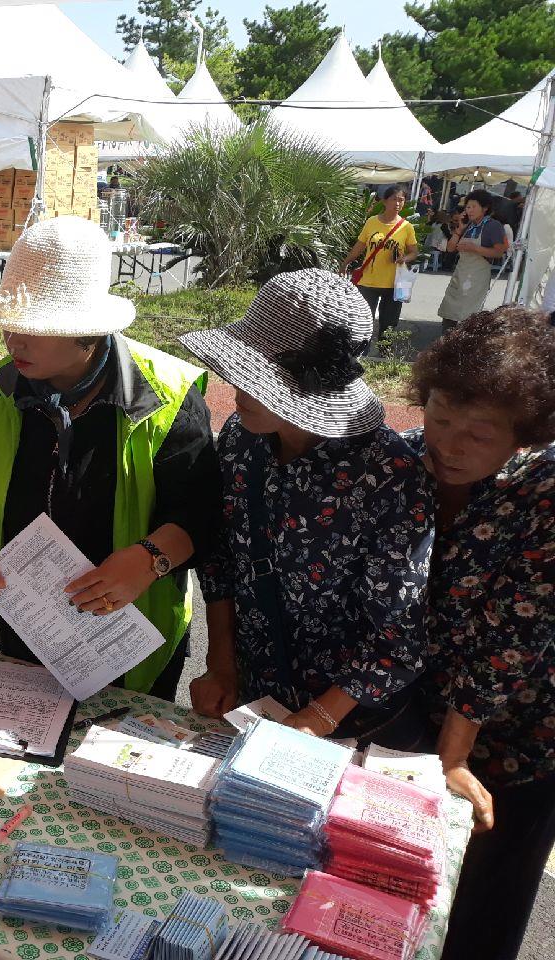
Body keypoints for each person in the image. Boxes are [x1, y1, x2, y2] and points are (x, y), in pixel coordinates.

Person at [0, 216, 220, 699]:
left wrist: (148, 562)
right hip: (28, 626)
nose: (13, 341)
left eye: (32, 329)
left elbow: (199, 513)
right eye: (7, 326)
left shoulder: (169, 396)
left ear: (87, 332)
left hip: (135, 637)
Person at [183, 269, 434, 743]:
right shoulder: (241, 440)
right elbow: (220, 560)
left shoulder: (387, 474)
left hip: (355, 720)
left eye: (254, 377)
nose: (235, 389)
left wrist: (319, 718)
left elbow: (399, 636)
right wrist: (220, 664)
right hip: (255, 698)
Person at [403, 307, 555, 960]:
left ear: (524, 436)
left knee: (479, 915)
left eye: (478, 434)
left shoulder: (542, 496)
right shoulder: (408, 464)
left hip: (516, 743)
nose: (449, 446)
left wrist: (454, 757)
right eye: (438, 418)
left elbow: (509, 641)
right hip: (423, 722)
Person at [341, 186, 419, 340]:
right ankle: (361, 352)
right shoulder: (372, 222)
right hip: (368, 282)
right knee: (364, 321)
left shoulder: (406, 227)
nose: (398, 203)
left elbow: (414, 252)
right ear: (384, 201)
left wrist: (405, 258)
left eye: (401, 200)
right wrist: (345, 263)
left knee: (388, 325)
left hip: (394, 285)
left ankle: (384, 356)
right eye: (394, 199)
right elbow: (360, 245)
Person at [438, 189, 508, 334]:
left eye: (473, 206)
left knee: (467, 316)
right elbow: (450, 249)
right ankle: (446, 344)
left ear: (485, 208)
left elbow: (499, 252)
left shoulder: (493, 226)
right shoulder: (468, 226)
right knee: (449, 312)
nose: (469, 210)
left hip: (476, 278)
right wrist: (459, 230)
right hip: (459, 275)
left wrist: (475, 248)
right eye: (468, 207)